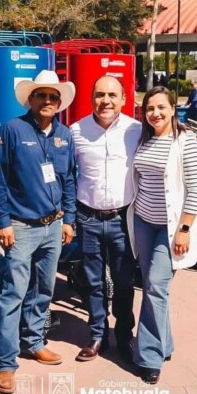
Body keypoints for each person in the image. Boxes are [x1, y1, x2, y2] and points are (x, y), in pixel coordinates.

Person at [0, 70, 77, 394]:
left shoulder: (64, 135)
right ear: (31, 98)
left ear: (59, 102)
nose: (48, 101)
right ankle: (5, 362)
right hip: (21, 226)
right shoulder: (12, 130)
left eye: (53, 96)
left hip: (54, 226)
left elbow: (69, 179)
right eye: (42, 95)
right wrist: (3, 221)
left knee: (44, 290)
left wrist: (69, 219)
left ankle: (34, 342)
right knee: (14, 293)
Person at [127, 86, 197, 384]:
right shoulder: (144, 139)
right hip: (143, 222)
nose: (155, 113)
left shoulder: (185, 141)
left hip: (170, 228)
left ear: (173, 109)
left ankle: (149, 357)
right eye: (149, 108)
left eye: (161, 107)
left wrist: (184, 230)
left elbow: (195, 188)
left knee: (156, 288)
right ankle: (165, 343)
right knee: (152, 285)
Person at [70, 76, 141, 363]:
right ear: (92, 99)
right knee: (92, 282)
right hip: (87, 217)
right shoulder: (76, 131)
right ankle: (97, 334)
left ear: (124, 99)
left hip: (123, 219)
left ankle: (124, 335)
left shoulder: (137, 130)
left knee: (124, 282)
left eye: (112, 95)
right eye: (100, 94)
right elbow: (67, 176)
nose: (106, 101)